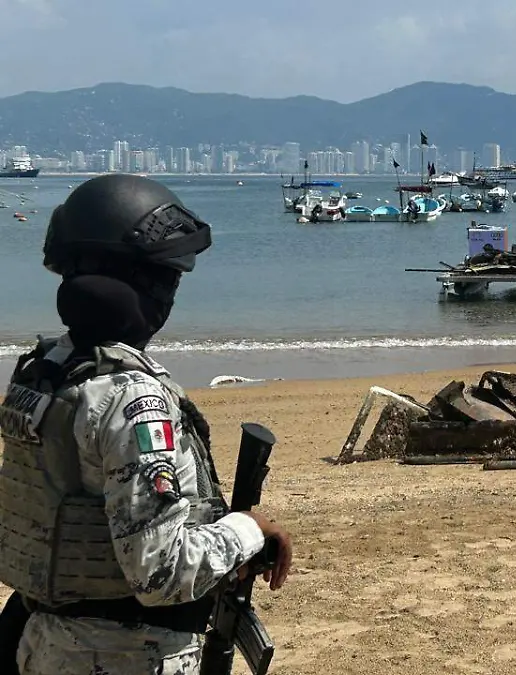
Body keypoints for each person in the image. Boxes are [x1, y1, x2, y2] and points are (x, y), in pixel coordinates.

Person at [0, 174, 293, 674]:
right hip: (124, 656)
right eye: (167, 279)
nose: (170, 295)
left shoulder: (45, 372)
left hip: (43, 640)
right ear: (138, 283)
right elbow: (161, 572)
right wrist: (249, 529)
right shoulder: (130, 396)